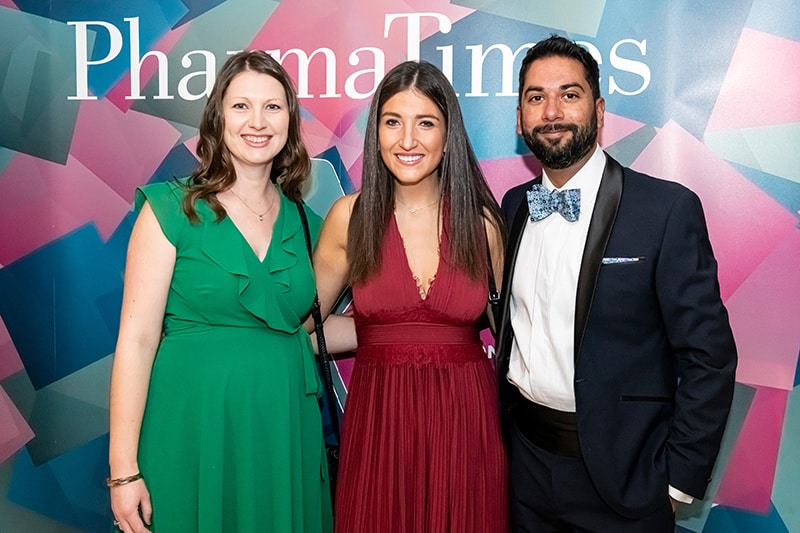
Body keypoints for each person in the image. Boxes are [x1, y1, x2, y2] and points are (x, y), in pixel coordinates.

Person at [494, 35, 738, 532]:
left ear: (599, 110)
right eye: (536, 97)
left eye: (570, 94)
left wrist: (675, 484)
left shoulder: (665, 211)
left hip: (626, 481)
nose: (552, 112)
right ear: (520, 118)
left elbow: (709, 357)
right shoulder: (513, 206)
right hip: (526, 470)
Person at [108, 50, 332, 533]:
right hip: (190, 427)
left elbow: (306, 329)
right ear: (217, 117)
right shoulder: (170, 209)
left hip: (281, 430)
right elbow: (137, 342)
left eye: (273, 107)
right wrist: (123, 471)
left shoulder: (309, 224)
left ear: (290, 121)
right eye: (241, 106)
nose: (258, 122)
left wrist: (412, 330)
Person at [313, 60, 509, 532]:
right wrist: (381, 333)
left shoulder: (483, 225)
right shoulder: (349, 219)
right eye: (392, 122)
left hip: (467, 427)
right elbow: (306, 328)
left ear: (448, 133)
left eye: (425, 123)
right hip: (379, 426)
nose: (407, 140)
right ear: (376, 133)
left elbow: (512, 340)